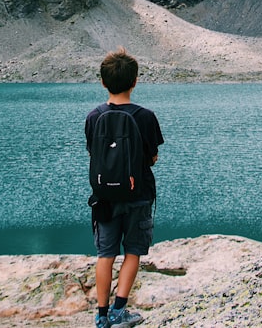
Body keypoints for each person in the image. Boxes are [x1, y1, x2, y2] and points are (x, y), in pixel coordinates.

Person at [85, 48, 164, 328]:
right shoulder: (145, 116)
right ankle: (120, 311)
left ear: (103, 82)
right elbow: (152, 156)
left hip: (104, 199)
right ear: (135, 82)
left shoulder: (94, 116)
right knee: (133, 251)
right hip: (138, 196)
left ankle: (101, 315)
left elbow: (93, 154)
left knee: (105, 255)